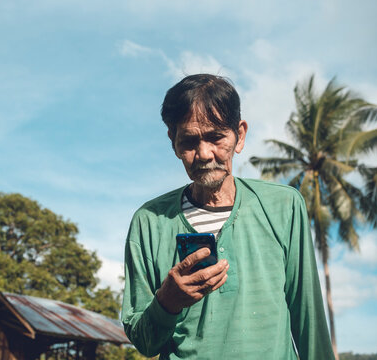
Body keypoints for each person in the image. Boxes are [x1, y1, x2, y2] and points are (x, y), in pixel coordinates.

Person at [121, 74, 335, 359]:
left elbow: (308, 318)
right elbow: (145, 343)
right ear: (173, 142)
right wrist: (166, 302)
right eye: (189, 141)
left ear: (240, 135)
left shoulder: (283, 206)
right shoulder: (149, 221)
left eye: (215, 137)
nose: (204, 153)